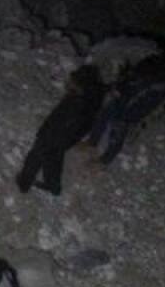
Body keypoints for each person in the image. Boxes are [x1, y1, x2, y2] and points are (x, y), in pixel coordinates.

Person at [16, 65, 106, 196]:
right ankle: (53, 186)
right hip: (66, 137)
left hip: (57, 135)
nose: (69, 83)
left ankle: (24, 182)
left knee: (36, 155)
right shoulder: (92, 98)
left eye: (73, 82)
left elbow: (61, 120)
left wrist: (46, 133)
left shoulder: (79, 101)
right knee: (53, 159)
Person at [88, 54, 165, 165]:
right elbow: (129, 79)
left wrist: (135, 116)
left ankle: (104, 161)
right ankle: (91, 143)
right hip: (130, 94)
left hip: (139, 104)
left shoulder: (164, 82)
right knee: (107, 112)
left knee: (120, 125)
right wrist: (118, 89)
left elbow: (152, 104)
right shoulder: (147, 65)